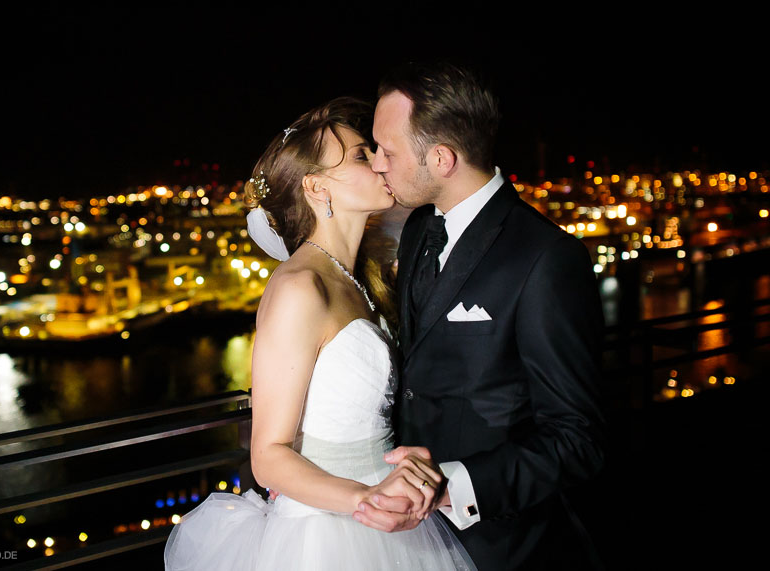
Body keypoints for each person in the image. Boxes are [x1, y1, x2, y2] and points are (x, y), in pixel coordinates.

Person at [164, 97, 475, 570]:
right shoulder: (298, 287)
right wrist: (366, 498)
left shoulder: (360, 279)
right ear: (315, 187)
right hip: (331, 529)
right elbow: (268, 455)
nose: (377, 161)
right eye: (358, 155)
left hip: (390, 509)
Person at [357, 61, 607, 570]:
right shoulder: (419, 230)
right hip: (409, 535)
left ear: (443, 158)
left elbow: (576, 439)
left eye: (388, 150)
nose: (377, 163)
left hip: (506, 544)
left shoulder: (545, 258)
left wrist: (453, 486)